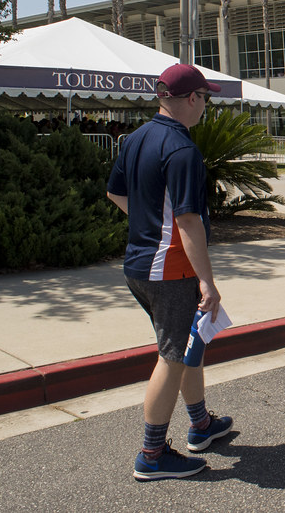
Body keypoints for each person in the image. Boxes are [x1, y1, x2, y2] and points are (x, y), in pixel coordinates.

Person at [106, 64, 231, 481]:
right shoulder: (182, 149)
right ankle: (152, 453)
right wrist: (208, 282)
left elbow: (115, 192)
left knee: (184, 343)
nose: (205, 107)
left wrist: (149, 226)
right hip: (170, 270)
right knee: (173, 356)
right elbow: (189, 220)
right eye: (205, 99)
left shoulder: (137, 138)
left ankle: (200, 425)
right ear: (192, 98)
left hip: (139, 266)